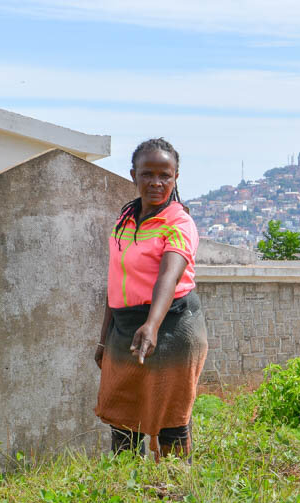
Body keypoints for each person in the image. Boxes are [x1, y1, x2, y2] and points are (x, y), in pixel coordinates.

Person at [94, 138, 207, 460]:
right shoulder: (125, 220)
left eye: (165, 176)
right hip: (125, 327)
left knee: (170, 418)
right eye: (147, 174)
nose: (156, 182)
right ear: (133, 175)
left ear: (175, 178)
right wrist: (104, 340)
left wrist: (152, 325)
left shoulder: (180, 223)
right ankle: (125, 491)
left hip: (172, 327)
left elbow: (168, 278)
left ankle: (173, 491)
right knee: (122, 417)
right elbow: (115, 282)